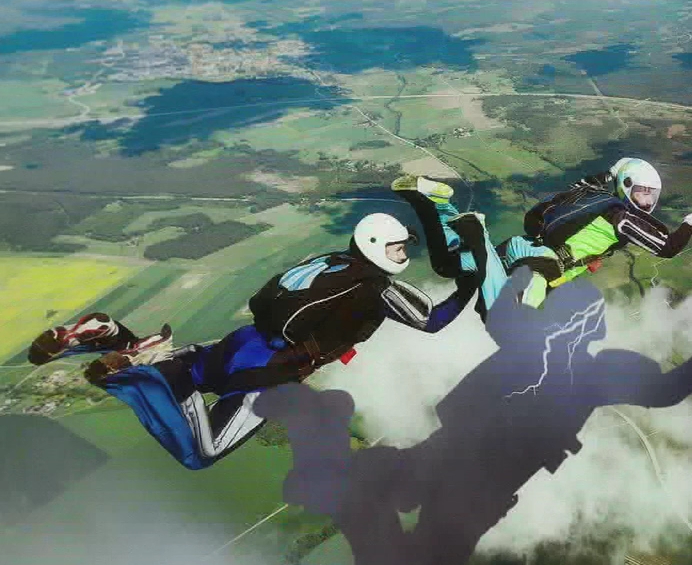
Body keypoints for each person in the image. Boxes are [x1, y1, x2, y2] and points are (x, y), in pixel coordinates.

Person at [26, 191, 485, 470]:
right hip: (266, 376)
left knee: (177, 374)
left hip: (238, 345)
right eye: (399, 249)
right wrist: (472, 280)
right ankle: (156, 366)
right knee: (202, 451)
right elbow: (435, 320)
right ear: (377, 248)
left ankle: (111, 336)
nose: (403, 255)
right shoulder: (377, 288)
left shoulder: (331, 261)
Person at [400, 158, 692, 313]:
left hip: (521, 247)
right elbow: (668, 248)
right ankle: (475, 230)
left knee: (447, 265)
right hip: (540, 270)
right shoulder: (622, 217)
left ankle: (440, 203)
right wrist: (690, 225)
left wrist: (611, 173)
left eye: (650, 195)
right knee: (512, 322)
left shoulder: (591, 194)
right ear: (626, 186)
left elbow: (575, 190)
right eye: (641, 193)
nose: (646, 202)